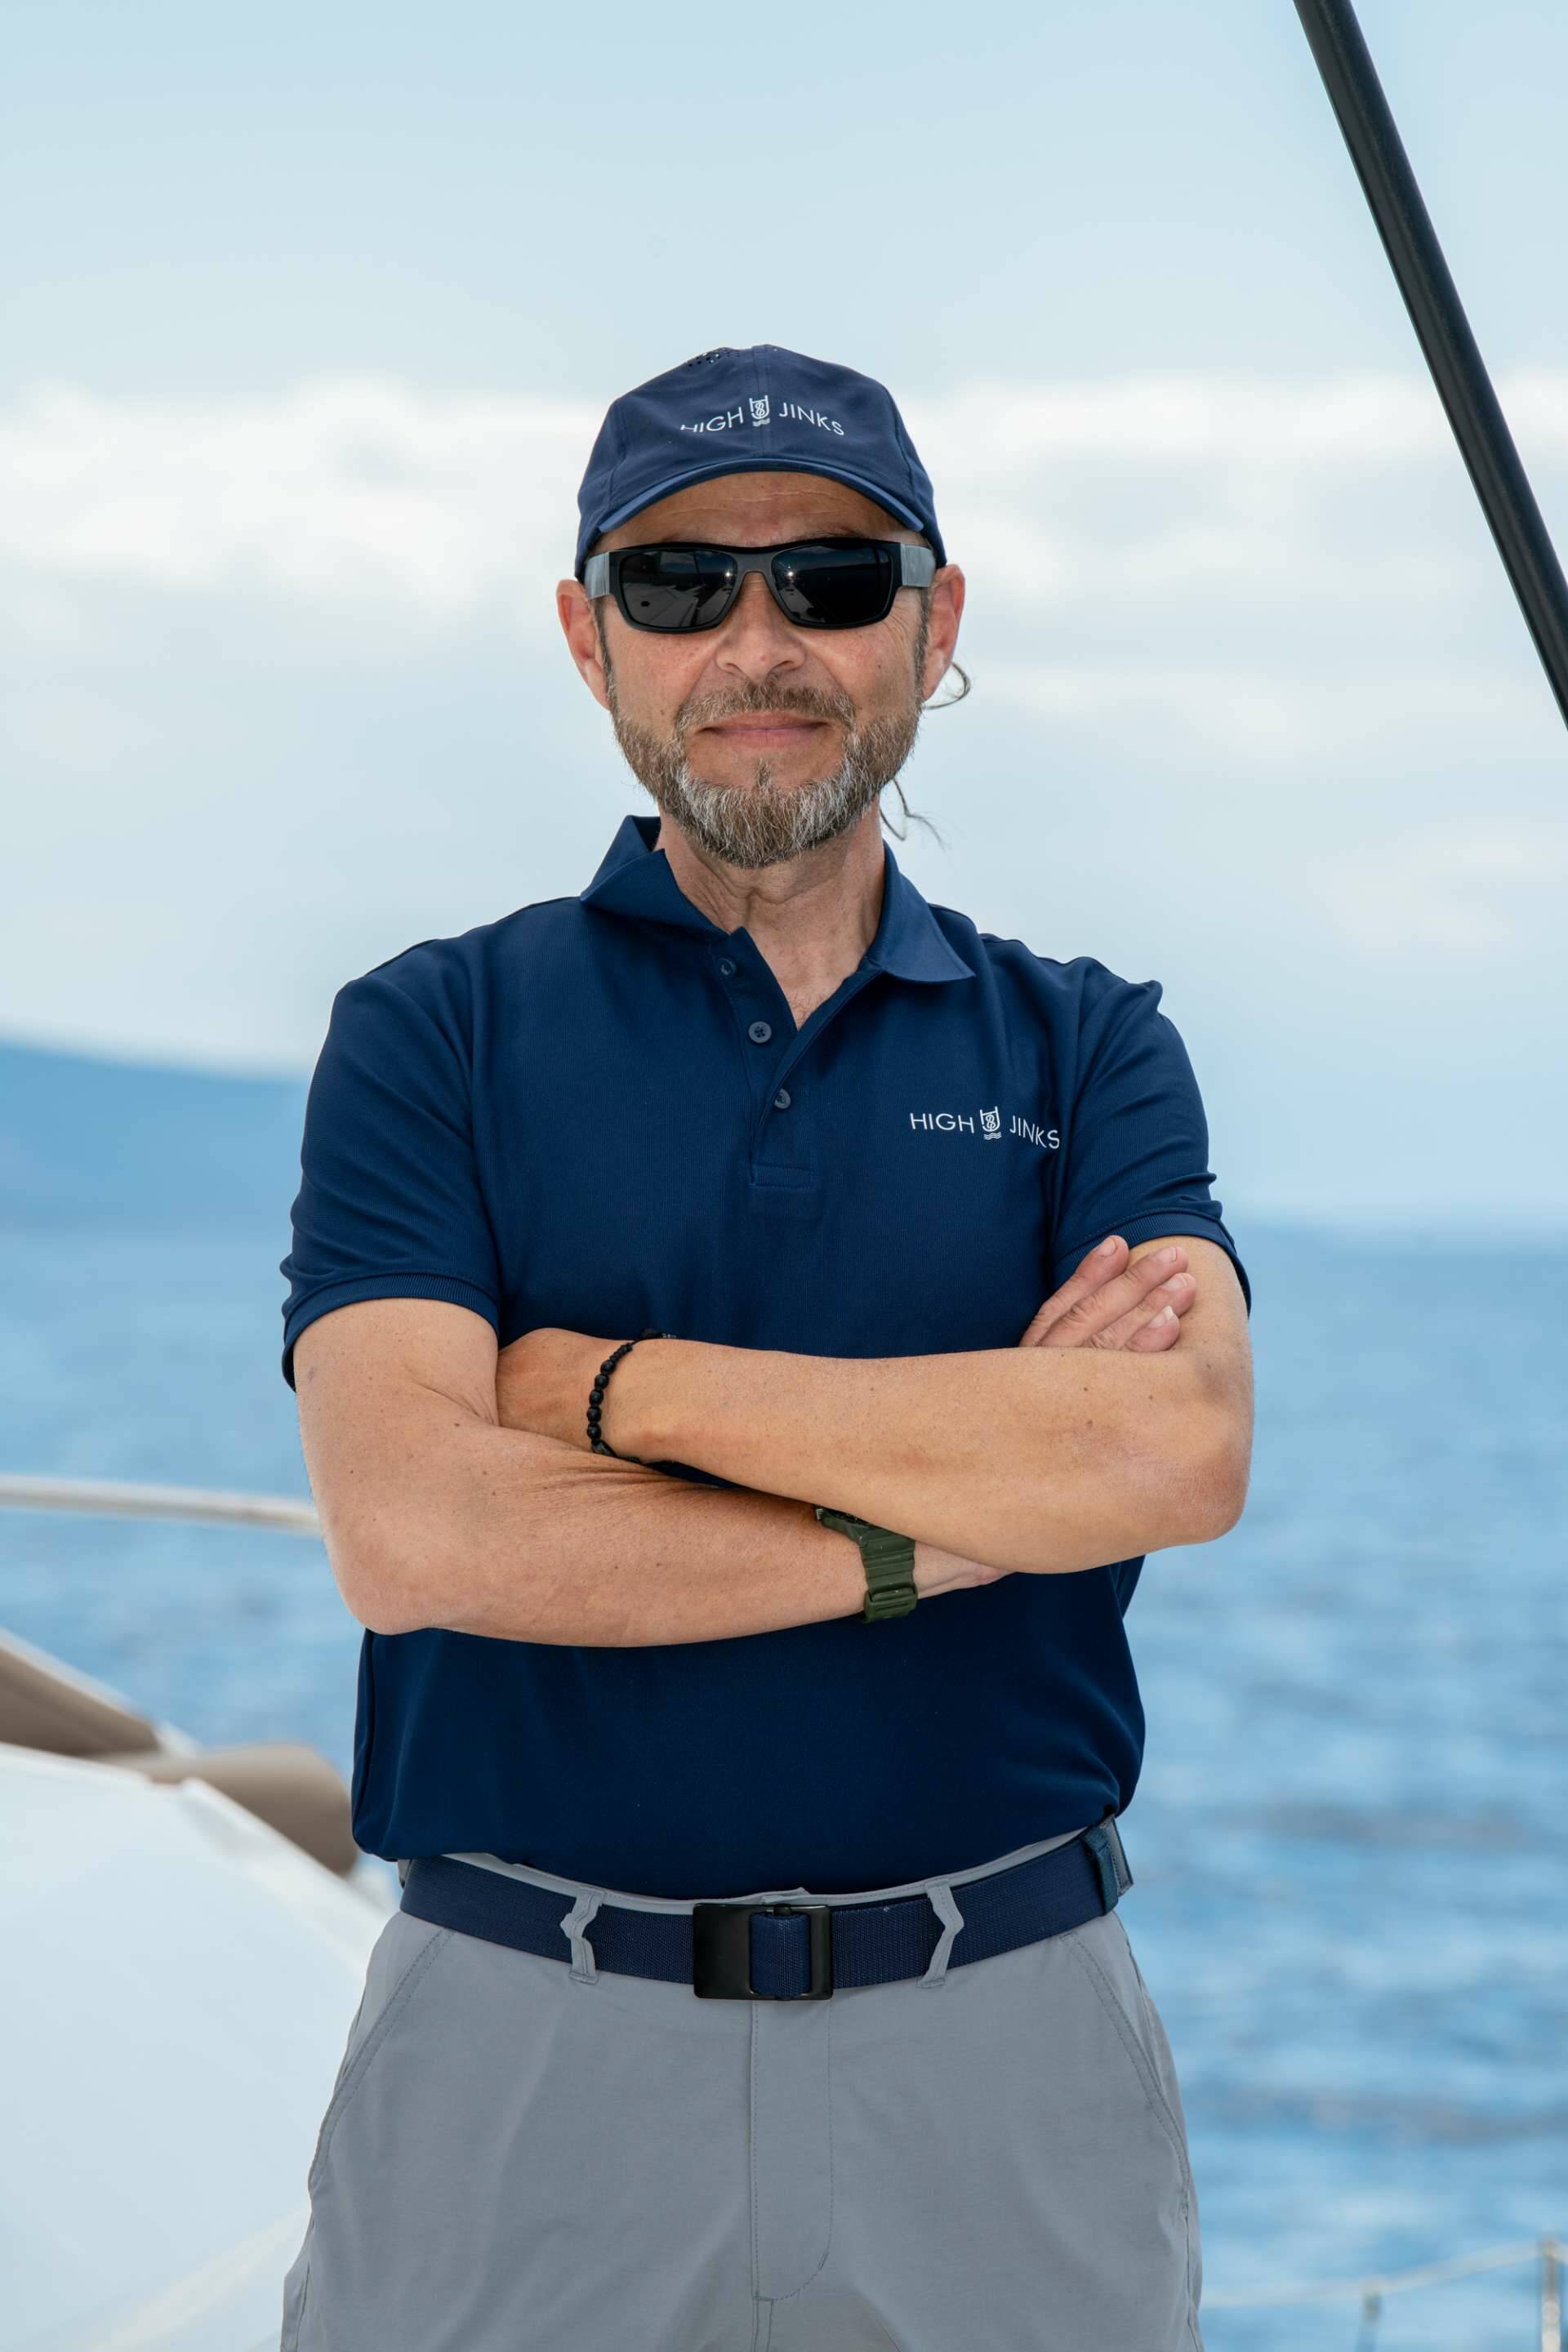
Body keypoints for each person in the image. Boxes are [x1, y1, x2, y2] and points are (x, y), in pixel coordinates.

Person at [277, 343, 1254, 2352]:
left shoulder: (1090, 1045)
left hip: (1005, 2049)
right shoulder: (431, 1034)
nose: (757, 641)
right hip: (524, 2049)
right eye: (678, 583)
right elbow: (424, 1531)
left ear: (934, 624)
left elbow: (1172, 1455)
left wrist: (619, 1392)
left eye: (831, 577)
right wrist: (964, 1520)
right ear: (588, 638)